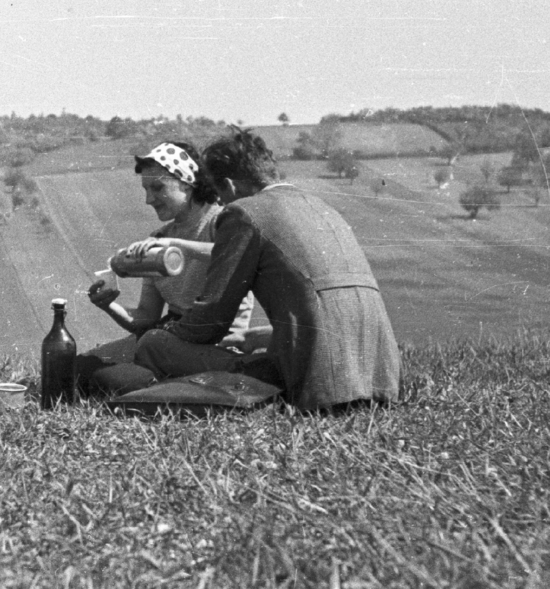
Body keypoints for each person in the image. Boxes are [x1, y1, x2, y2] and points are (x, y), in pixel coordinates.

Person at [132, 128, 401, 411]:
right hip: (379, 378)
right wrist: (253, 337)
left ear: (229, 186)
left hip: (314, 380)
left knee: (154, 344)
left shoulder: (242, 213)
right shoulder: (322, 208)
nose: (220, 203)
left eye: (220, 194)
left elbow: (210, 320)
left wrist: (172, 332)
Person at [77, 141, 257, 393]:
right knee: (81, 367)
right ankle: (162, 383)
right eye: (146, 189)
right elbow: (146, 317)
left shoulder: (222, 221)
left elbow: (234, 255)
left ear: (186, 183)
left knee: (113, 380)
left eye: (157, 187)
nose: (149, 199)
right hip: (168, 334)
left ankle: (164, 387)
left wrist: (179, 245)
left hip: (216, 340)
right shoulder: (159, 239)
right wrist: (108, 304)